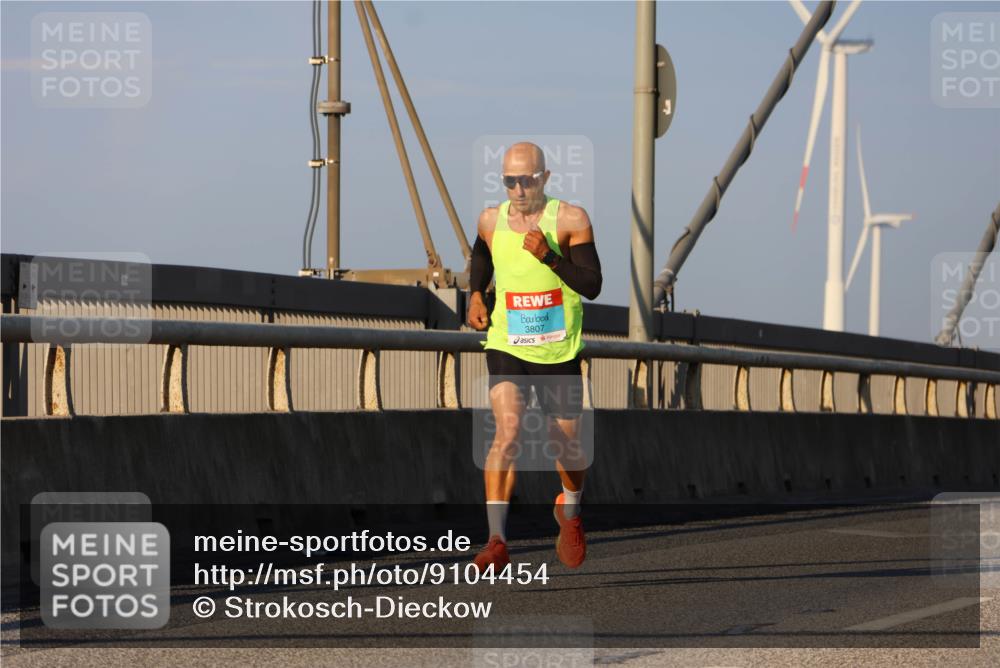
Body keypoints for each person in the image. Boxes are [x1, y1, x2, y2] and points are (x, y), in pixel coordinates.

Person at [466, 142, 603, 571]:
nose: (519, 189)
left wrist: (548, 255)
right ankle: (496, 539)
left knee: (565, 445)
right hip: (508, 344)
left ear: (544, 178)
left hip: (559, 350)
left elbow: (593, 283)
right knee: (506, 432)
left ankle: (571, 508)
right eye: (510, 181)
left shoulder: (570, 219)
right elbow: (482, 256)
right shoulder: (491, 220)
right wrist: (474, 294)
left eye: (527, 180)